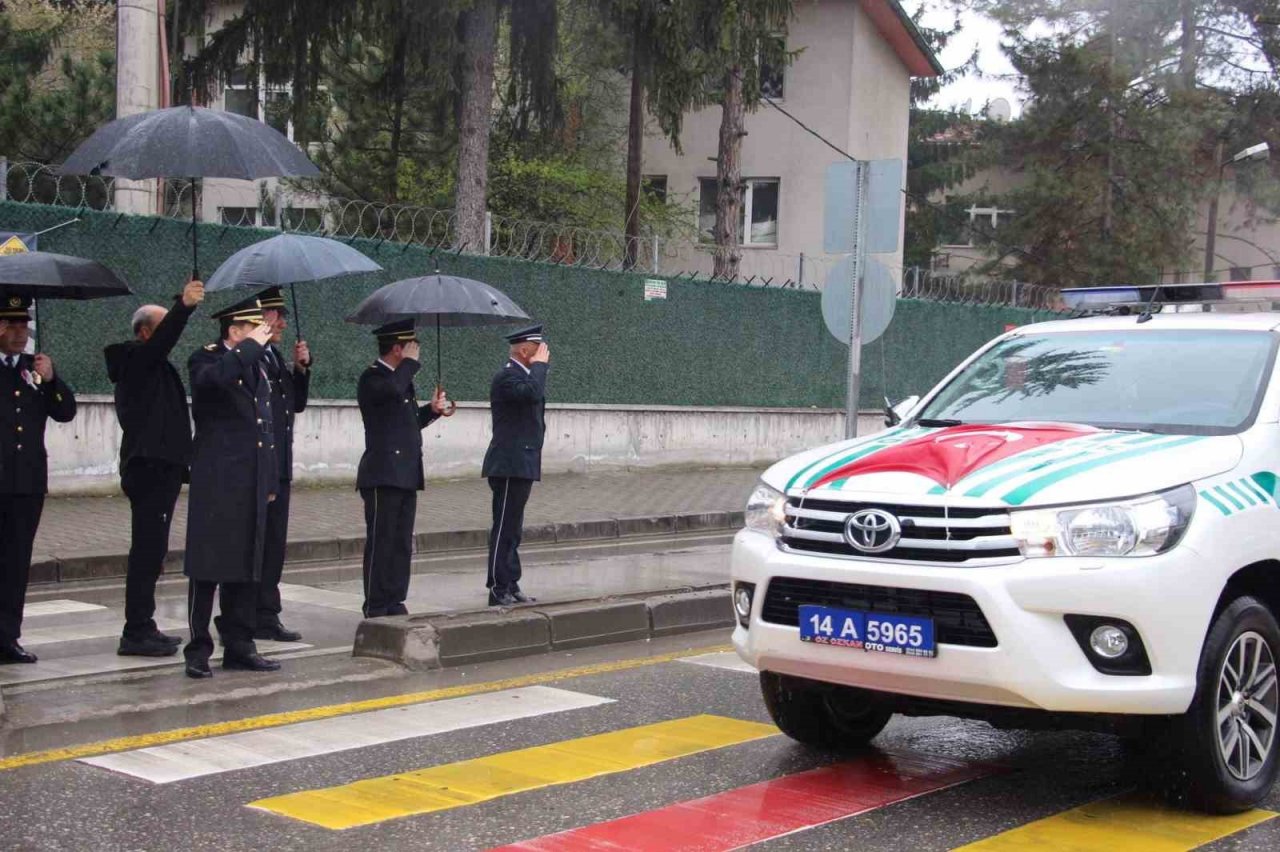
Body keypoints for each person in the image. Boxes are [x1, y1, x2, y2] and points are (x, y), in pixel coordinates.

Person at [103, 279, 204, 657]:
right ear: (145, 332)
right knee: (146, 551)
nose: (168, 338)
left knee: (153, 551)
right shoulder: (135, 360)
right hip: (149, 468)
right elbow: (164, 342)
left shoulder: (153, 364)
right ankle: (136, 630)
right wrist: (185, 306)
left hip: (163, 467)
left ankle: (144, 624)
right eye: (161, 328)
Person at [182, 295, 280, 678]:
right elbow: (215, 381)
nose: (263, 332)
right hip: (217, 479)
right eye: (253, 328)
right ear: (234, 330)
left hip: (251, 479)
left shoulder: (257, 364)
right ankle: (197, 648)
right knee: (207, 565)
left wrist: (269, 478)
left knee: (246, 565)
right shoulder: (205, 358)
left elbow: (264, 426)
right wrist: (252, 346)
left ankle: (240, 643)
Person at [355, 320, 450, 618]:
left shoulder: (400, 380)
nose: (415, 352)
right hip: (382, 473)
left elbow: (407, 422)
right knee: (382, 541)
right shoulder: (372, 378)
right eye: (410, 347)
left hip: (406, 472)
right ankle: (375, 603)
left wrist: (432, 412)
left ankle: (395, 598)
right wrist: (409, 365)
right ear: (397, 348)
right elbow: (390, 394)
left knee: (400, 543)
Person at [0, 295, 76, 664]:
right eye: (11, 325)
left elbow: (65, 412)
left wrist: (52, 378)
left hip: (27, 482)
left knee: (16, 562)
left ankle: (7, 637)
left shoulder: (34, 369)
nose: (19, 333)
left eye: (23, 326)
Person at [252, 287, 310, 643]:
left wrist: (300, 368)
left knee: (274, 545)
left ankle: (267, 613)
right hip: (260, 465)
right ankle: (249, 613)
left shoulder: (273, 356)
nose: (283, 323)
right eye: (277, 315)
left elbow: (295, 405)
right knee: (257, 544)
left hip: (281, 463)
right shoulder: (252, 355)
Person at [481, 324, 549, 607]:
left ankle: (511, 581)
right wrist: (540, 368)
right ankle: (497, 588)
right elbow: (530, 394)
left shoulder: (522, 376)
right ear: (524, 351)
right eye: (538, 349)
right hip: (508, 463)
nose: (544, 354)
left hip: (523, 461)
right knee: (504, 527)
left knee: (514, 527)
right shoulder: (507, 376)